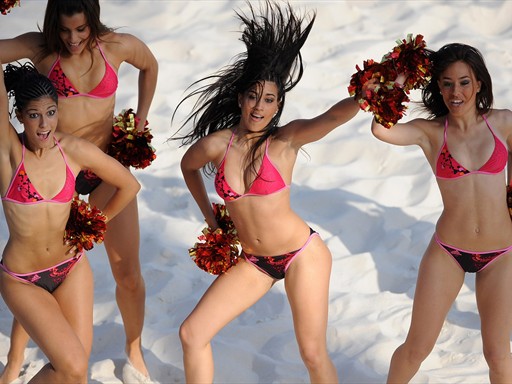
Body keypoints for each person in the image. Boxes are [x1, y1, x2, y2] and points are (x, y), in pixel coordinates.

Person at [174, 1, 362, 382]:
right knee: (192, 333)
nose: (260, 106)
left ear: (278, 107)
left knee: (311, 353)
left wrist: (363, 96)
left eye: (270, 99)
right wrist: (212, 219)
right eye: (254, 96)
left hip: (301, 254)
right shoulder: (217, 144)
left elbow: (332, 117)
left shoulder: (285, 141)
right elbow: (187, 167)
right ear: (241, 98)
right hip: (256, 262)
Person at [0, 1, 158, 382]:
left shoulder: (117, 47)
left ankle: (134, 347)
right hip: (57, 172)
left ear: (93, 23)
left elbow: (150, 65)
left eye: (81, 30)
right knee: (42, 253)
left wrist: (140, 118)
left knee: (128, 273)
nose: (72, 39)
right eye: (65, 30)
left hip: (100, 166)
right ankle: (16, 356)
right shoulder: (41, 49)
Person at [369, 43, 512, 382]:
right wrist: (402, 77)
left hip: (501, 255)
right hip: (448, 251)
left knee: (497, 354)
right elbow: (380, 129)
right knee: (417, 347)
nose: (455, 91)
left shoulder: (504, 123)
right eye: (446, 83)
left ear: (478, 83)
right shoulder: (431, 133)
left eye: (464, 82)